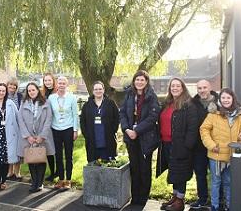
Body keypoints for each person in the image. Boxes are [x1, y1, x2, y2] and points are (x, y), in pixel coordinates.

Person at [200, 88, 241, 211]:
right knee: (216, 182)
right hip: (217, 154)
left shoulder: (239, 116)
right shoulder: (213, 114)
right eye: (223, 98)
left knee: (228, 182)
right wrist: (211, 145)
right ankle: (214, 207)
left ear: (233, 99)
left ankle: (228, 206)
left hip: (232, 156)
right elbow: (204, 130)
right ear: (220, 99)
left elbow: (240, 134)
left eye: (228, 98)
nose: (226, 100)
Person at [119, 70, 160, 207]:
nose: (139, 82)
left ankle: (143, 197)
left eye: (142, 80)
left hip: (145, 137)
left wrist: (137, 130)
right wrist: (126, 129)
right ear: (134, 81)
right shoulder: (129, 94)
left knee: (144, 168)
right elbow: (123, 113)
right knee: (134, 167)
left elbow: (152, 118)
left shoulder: (151, 96)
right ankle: (135, 196)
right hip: (130, 136)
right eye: (137, 80)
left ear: (146, 81)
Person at [157, 77, 198, 211]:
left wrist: (187, 145)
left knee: (181, 172)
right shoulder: (167, 103)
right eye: (172, 86)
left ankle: (180, 201)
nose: (174, 88)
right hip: (167, 144)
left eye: (177, 86)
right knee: (174, 171)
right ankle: (175, 197)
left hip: (181, 145)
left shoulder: (188, 104)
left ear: (183, 88)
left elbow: (193, 127)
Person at [18, 82, 55, 192]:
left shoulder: (46, 102)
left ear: (37, 90)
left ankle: (40, 183)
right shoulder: (24, 103)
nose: (31, 92)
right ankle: (34, 182)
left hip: (42, 137)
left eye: (33, 90)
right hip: (29, 137)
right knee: (31, 160)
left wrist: (42, 136)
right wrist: (27, 136)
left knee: (40, 159)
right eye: (29, 91)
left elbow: (48, 120)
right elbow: (20, 120)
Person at [190, 79, 219, 209]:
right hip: (198, 146)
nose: (202, 90)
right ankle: (202, 199)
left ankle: (218, 201)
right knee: (200, 173)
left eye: (204, 88)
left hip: (216, 146)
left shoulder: (220, 102)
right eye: (199, 88)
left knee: (217, 175)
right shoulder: (192, 103)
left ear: (210, 88)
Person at [48, 76, 79, 190]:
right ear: (57, 84)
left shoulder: (71, 98)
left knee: (68, 156)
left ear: (67, 85)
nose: (61, 85)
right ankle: (61, 179)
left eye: (63, 83)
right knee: (58, 156)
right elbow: (48, 113)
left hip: (68, 129)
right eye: (59, 83)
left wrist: (75, 130)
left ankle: (68, 180)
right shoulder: (51, 98)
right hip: (56, 129)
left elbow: (75, 115)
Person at [80, 81, 119, 162]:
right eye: (96, 89)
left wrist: (113, 130)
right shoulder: (87, 105)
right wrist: (86, 135)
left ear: (103, 90)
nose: (98, 91)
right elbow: (82, 121)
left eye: (100, 89)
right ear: (93, 91)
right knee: (94, 165)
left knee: (108, 164)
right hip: (92, 139)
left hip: (107, 138)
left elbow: (117, 118)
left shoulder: (110, 103)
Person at [41, 73, 58, 182]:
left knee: (57, 150)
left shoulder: (57, 92)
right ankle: (52, 172)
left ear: (53, 80)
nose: (47, 82)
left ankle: (59, 171)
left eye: (49, 80)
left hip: (56, 124)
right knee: (49, 150)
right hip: (46, 124)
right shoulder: (42, 93)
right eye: (45, 80)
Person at [6, 77, 23, 181]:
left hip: (18, 126)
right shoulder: (3, 96)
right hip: (7, 126)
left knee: (17, 149)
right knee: (8, 149)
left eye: (14, 86)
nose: (12, 87)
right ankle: (9, 170)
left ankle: (17, 171)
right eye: (10, 85)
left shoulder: (20, 96)